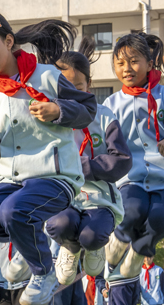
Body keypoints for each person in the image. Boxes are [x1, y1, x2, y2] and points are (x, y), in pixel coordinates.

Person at [0, 11, 97, 305]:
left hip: (54, 175)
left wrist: (57, 110)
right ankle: (30, 251)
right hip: (11, 176)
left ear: (9, 41)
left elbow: (88, 110)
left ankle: (44, 271)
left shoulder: (49, 76)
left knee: (13, 211)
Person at [102, 31, 164, 280]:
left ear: (149, 64)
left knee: (162, 217)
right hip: (130, 176)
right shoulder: (110, 104)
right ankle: (119, 239)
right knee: (132, 209)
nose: (127, 68)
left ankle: (140, 250)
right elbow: (102, 141)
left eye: (133, 61)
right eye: (120, 63)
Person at [44, 36, 131, 283]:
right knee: (60, 225)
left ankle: (93, 246)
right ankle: (69, 248)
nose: (71, 96)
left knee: (91, 235)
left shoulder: (104, 116)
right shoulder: (49, 118)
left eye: (78, 88)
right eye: (64, 88)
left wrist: (82, 167)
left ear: (89, 84)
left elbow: (122, 159)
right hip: (63, 196)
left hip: (99, 198)